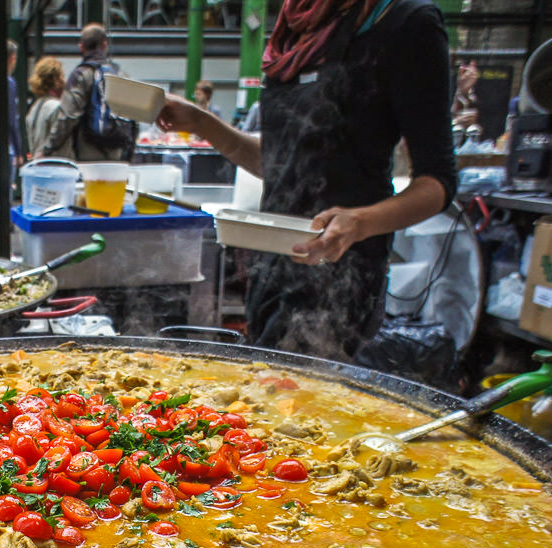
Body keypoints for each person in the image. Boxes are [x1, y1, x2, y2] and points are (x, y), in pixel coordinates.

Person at [156, 0, 456, 361]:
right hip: (272, 267)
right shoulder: (294, 32)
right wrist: (202, 122)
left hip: (342, 273)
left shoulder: (406, 22)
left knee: (310, 406)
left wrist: (358, 222)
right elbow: (281, 164)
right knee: (264, 395)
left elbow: (438, 182)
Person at [38, 23, 131, 161]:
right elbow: (133, 115)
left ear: (81, 46)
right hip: (116, 153)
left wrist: (47, 149)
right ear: (105, 45)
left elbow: (68, 116)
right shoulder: (120, 74)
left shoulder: (80, 75)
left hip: (88, 152)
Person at [25, 56, 73, 159]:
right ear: (56, 79)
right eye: (62, 76)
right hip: (55, 167)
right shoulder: (56, 107)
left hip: (37, 165)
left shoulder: (34, 108)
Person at [7, 40, 24, 189]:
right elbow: (12, 120)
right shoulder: (10, 83)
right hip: (7, 148)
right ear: (12, 58)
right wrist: (19, 152)